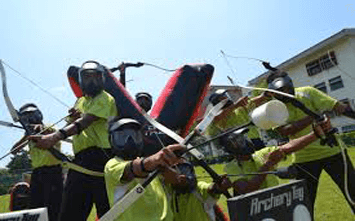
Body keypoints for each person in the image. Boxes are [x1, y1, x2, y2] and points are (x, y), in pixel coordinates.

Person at [29, 60, 118, 221]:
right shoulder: (80, 101)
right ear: (81, 80)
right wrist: (50, 132)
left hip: (102, 158)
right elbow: (73, 124)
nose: (91, 81)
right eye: (87, 77)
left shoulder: (105, 97)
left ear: (102, 79)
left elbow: (86, 121)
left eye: (95, 77)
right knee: (70, 213)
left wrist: (54, 137)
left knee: (108, 213)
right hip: (80, 161)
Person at [266, 70, 355, 214]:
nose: (284, 93)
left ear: (290, 84)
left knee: (353, 194)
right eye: (279, 92)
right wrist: (314, 116)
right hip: (303, 160)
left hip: (333, 152)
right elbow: (286, 131)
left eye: (286, 89)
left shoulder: (308, 92)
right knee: (303, 207)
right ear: (272, 92)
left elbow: (340, 108)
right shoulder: (274, 108)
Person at [222, 117, 332, 196]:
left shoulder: (261, 154)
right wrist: (268, 164)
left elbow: (288, 147)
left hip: (275, 202)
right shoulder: (231, 167)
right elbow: (246, 189)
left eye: (244, 137)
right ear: (230, 148)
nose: (246, 141)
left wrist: (315, 134)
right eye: (239, 141)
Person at [104, 117, 185, 221]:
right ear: (111, 140)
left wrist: (168, 169)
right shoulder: (112, 165)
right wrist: (155, 160)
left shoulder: (151, 164)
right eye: (122, 136)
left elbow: (177, 182)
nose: (130, 141)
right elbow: (134, 169)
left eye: (135, 136)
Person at [11, 103, 63, 220]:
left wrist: (40, 129)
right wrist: (26, 135)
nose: (29, 119)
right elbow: (13, 150)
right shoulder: (28, 136)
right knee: (35, 207)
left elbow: (48, 132)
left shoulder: (49, 127)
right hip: (37, 174)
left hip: (53, 172)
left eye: (30, 115)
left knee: (54, 207)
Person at [161, 161, 231, 221]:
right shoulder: (170, 191)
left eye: (187, 172)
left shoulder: (199, 189)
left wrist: (220, 185)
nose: (183, 177)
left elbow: (212, 189)